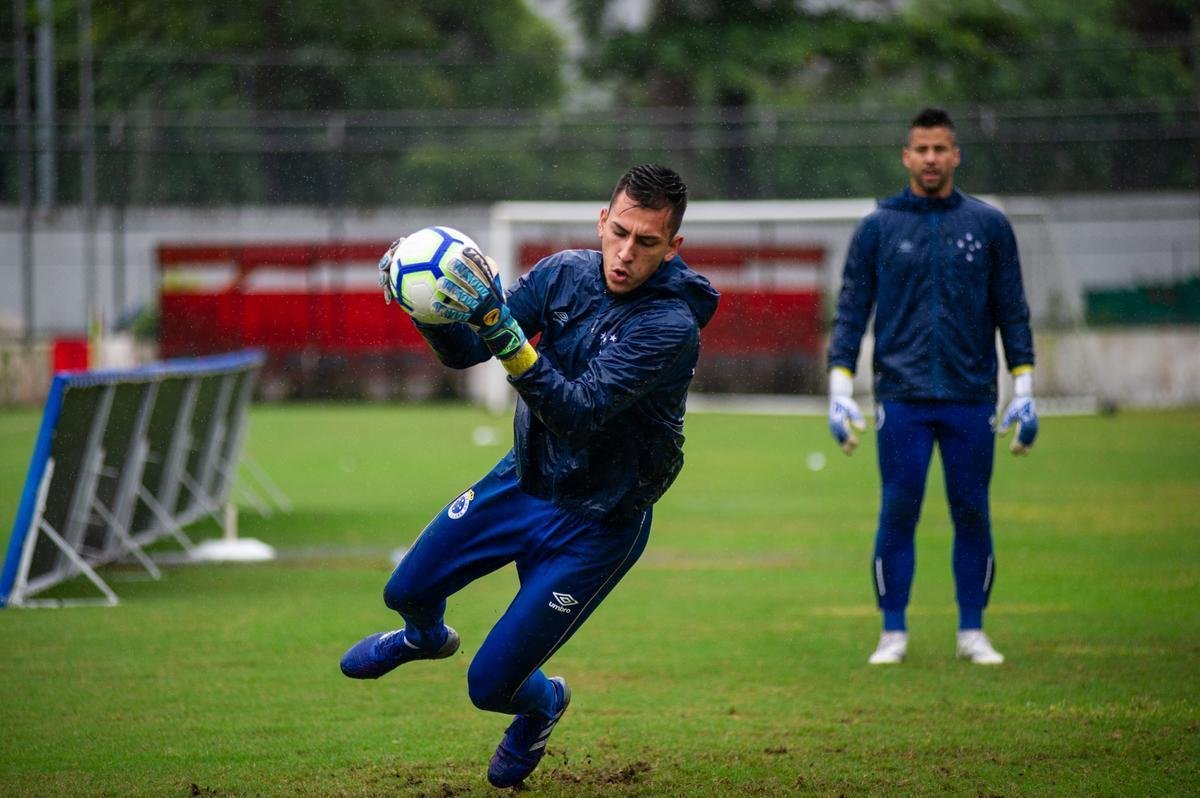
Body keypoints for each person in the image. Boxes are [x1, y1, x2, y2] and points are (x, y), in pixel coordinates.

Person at [340, 164, 719, 787]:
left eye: (647, 242)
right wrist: (427, 307)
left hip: (599, 523)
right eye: (620, 232)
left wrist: (500, 327)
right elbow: (468, 351)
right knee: (405, 592)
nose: (626, 253)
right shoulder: (563, 273)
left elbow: (576, 412)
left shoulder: (669, 327)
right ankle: (424, 638)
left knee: (489, 686)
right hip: (524, 481)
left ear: (673, 246)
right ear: (603, 221)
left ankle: (545, 705)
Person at [826, 107, 1039, 666]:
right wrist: (839, 388)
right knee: (899, 512)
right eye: (921, 149)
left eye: (940, 148)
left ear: (955, 155)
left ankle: (973, 631)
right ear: (906, 156)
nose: (930, 158)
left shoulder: (988, 226)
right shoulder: (878, 228)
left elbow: (1012, 311)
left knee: (972, 511)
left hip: (971, 397)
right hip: (902, 398)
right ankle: (892, 632)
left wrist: (1024, 387)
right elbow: (851, 312)